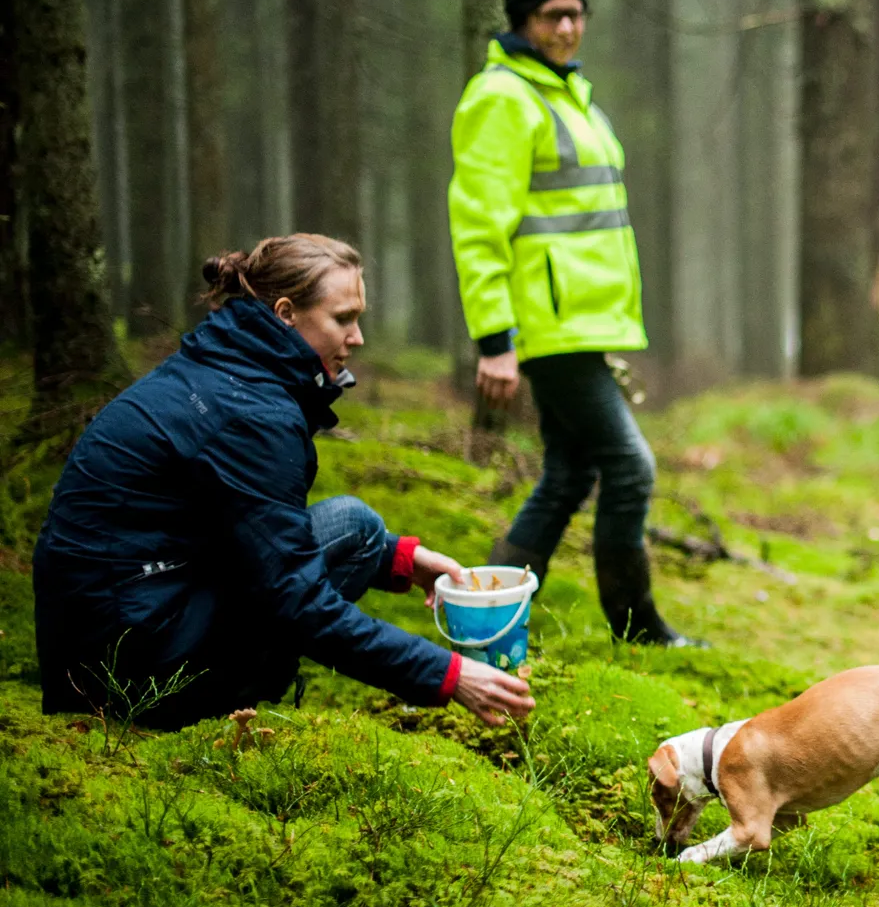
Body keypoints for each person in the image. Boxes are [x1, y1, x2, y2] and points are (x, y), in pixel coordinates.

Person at [33, 235, 536, 731]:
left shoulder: (225, 369)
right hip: (128, 671)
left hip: (121, 628)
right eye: (343, 319)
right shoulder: (249, 412)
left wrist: (400, 561)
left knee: (356, 527)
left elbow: (262, 537)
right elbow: (295, 597)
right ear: (285, 313)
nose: (358, 337)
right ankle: (219, 699)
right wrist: (447, 675)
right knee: (315, 572)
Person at [448, 0, 701, 648]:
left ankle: (485, 615)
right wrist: (495, 341)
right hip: (545, 325)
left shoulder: (572, 97)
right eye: (551, 15)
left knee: (568, 474)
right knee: (629, 466)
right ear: (521, 19)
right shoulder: (499, 100)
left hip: (585, 322)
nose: (566, 28)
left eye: (576, 14)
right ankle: (637, 625)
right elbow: (478, 228)